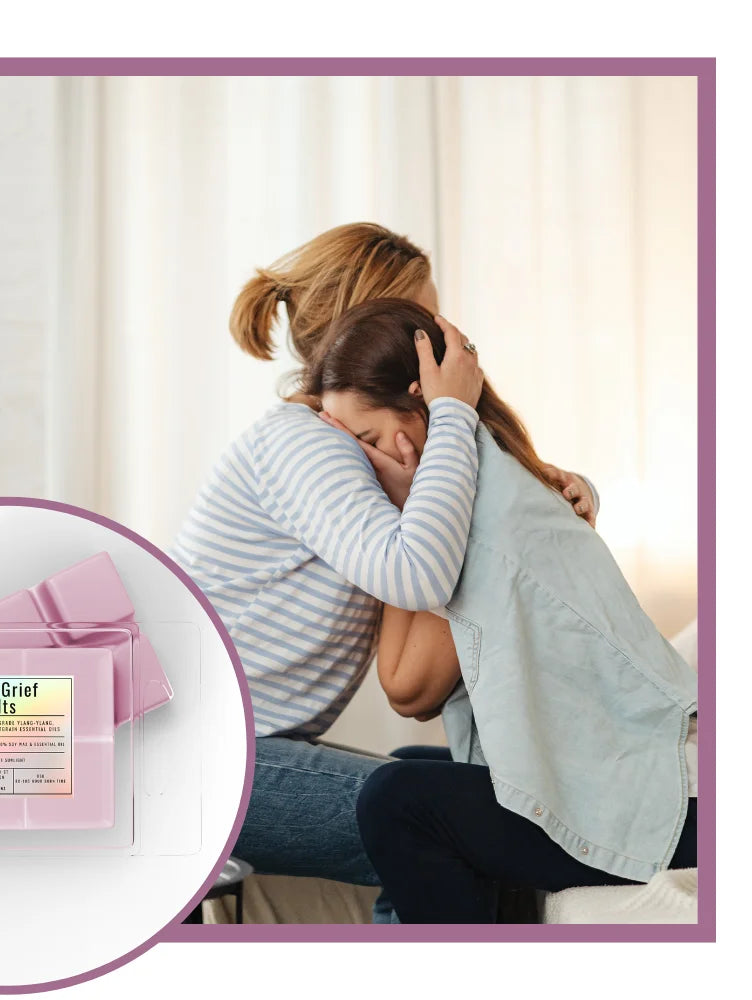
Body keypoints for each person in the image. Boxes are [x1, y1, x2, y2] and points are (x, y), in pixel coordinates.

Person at [170, 223, 597, 903]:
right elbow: (419, 572)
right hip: (187, 758)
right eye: (425, 322)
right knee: (434, 820)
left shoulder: (353, 448)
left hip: (235, 746)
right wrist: (454, 411)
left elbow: (462, 528)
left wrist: (560, 488)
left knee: (438, 796)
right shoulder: (307, 446)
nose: (442, 335)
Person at [309, 298, 697, 923]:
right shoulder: (478, 476)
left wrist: (404, 516)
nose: (360, 463)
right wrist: (408, 519)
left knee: (396, 799)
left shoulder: (483, 506)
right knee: (409, 767)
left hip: (664, 802)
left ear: (421, 407)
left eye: (368, 440)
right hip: (618, 774)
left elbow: (409, 689)